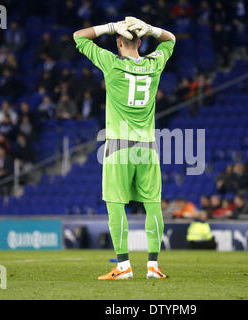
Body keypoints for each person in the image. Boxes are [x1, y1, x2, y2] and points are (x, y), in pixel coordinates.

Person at [73, 16, 176, 280]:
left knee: (116, 205)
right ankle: (153, 266)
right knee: (153, 204)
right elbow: (171, 39)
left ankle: (124, 267)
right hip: (148, 146)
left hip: (118, 146)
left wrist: (109, 27)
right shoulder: (154, 64)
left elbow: (78, 37)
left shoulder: (111, 64)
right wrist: (153, 29)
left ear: (119, 43)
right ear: (140, 42)